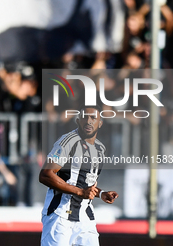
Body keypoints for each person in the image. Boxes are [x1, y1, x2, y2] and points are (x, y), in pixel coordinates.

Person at [39, 105, 119, 246]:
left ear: (100, 123)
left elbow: (85, 184)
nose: (88, 121)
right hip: (60, 214)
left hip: (84, 217)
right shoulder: (68, 142)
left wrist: (101, 194)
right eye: (84, 117)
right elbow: (45, 174)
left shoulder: (100, 149)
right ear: (78, 121)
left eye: (93, 118)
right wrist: (80, 191)